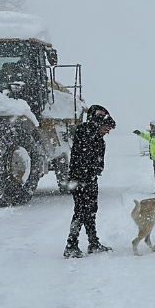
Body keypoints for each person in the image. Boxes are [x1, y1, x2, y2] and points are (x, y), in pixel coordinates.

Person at [64, 104, 116, 258]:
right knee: (80, 211)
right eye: (106, 127)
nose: (108, 131)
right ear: (98, 123)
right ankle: (70, 245)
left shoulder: (99, 139)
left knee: (91, 210)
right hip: (79, 179)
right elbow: (82, 159)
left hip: (90, 179)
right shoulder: (84, 132)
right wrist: (89, 171)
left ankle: (93, 243)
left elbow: (97, 162)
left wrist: (96, 170)